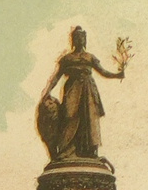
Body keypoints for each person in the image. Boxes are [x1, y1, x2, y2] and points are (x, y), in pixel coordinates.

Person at [37, 26, 124, 161]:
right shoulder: (67, 59)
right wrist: (47, 91)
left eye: (82, 37)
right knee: (69, 115)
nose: (79, 39)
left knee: (88, 118)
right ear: (73, 40)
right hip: (72, 88)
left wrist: (118, 75)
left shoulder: (90, 57)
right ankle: (66, 150)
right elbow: (56, 77)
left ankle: (89, 151)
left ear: (85, 39)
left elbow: (103, 72)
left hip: (88, 90)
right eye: (76, 37)